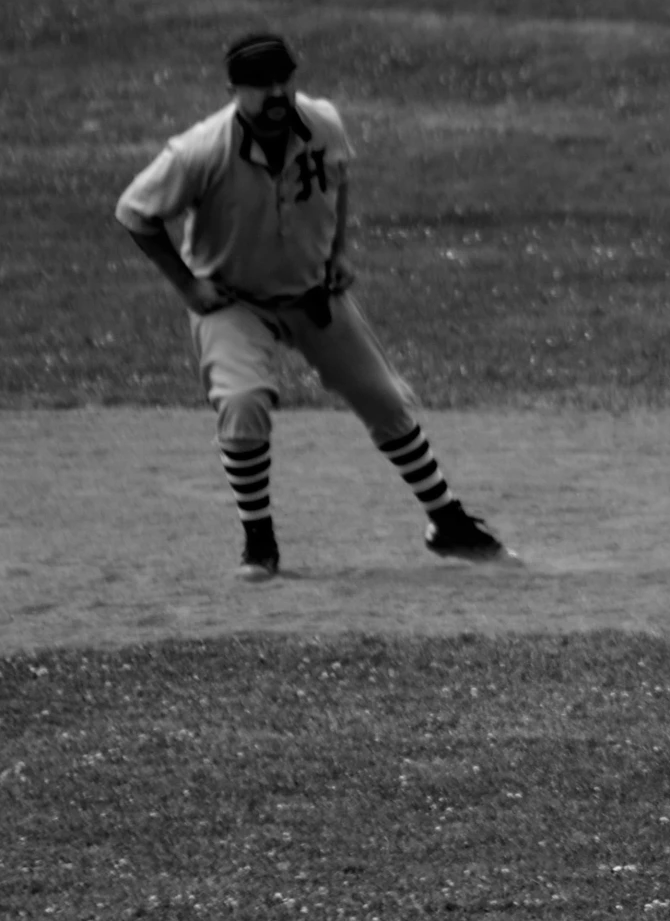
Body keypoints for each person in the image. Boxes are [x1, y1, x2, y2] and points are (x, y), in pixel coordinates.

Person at [114, 32, 514, 581]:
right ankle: (260, 544)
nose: (276, 93)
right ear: (234, 90)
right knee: (244, 401)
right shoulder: (199, 151)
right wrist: (188, 287)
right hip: (235, 301)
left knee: (386, 400)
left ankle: (447, 523)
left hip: (312, 292)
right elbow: (135, 212)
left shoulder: (323, 122)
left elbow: (338, 178)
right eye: (260, 85)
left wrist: (338, 252)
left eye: (284, 80)